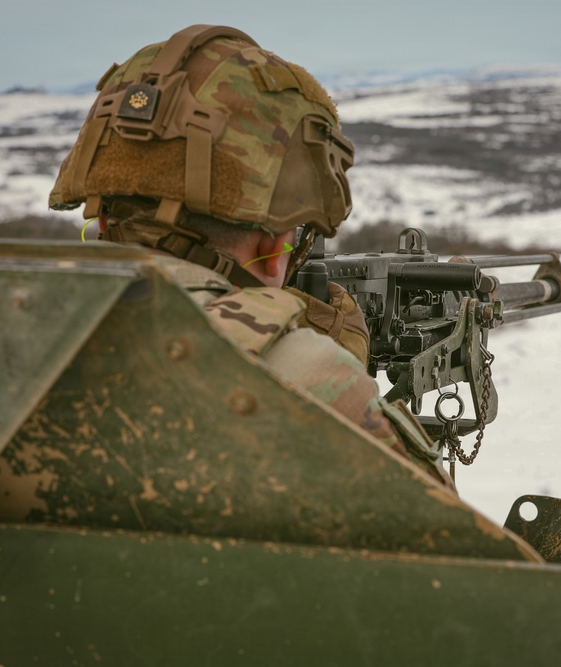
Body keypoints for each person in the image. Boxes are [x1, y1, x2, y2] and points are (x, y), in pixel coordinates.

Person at [49, 24, 452, 487]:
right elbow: (448, 529)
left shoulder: (4, 320)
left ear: (101, 217)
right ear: (273, 250)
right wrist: (327, 367)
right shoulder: (311, 381)